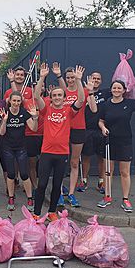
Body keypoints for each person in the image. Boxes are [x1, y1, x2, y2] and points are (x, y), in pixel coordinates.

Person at [33, 62, 86, 221]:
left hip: (62, 153)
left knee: (57, 185)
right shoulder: (46, 109)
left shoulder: (69, 111)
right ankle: (36, 213)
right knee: (42, 185)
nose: (56, 98)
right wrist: (42, 77)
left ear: (64, 98)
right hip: (47, 153)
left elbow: (81, 99)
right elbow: (36, 96)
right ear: (51, 97)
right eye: (54, 95)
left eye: (59, 95)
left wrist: (78, 80)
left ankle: (51, 212)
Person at [97, 79, 135, 212]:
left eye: (119, 88)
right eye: (114, 88)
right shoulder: (105, 105)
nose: (116, 90)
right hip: (109, 141)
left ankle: (125, 199)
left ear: (124, 90)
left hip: (124, 142)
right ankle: (107, 197)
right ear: (111, 90)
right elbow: (100, 121)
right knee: (108, 172)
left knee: (124, 172)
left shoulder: (129, 103)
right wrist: (103, 128)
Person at [57, 64, 97, 207]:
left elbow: (93, 109)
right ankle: (59, 193)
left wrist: (90, 92)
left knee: (74, 162)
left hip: (79, 129)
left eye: (73, 77)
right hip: (63, 129)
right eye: (68, 78)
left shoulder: (84, 91)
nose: (70, 80)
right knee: (61, 162)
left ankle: (72, 193)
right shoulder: (62, 92)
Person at [0, 92, 38, 211]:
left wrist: (35, 118)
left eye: (18, 101)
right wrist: (5, 120)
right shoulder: (4, 112)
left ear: (21, 102)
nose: (16, 103)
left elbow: (33, 128)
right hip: (8, 148)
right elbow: (1, 132)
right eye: (14, 101)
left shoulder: (24, 112)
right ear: (9, 100)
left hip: (21, 147)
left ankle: (30, 198)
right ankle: (11, 197)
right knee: (11, 174)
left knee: (24, 174)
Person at [80, 71, 112, 193]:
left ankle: (101, 182)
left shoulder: (106, 93)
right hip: (87, 129)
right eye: (94, 78)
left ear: (101, 81)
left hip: (101, 129)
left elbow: (123, 89)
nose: (96, 80)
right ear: (89, 79)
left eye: (98, 78)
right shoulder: (84, 92)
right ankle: (84, 180)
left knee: (101, 157)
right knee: (86, 156)